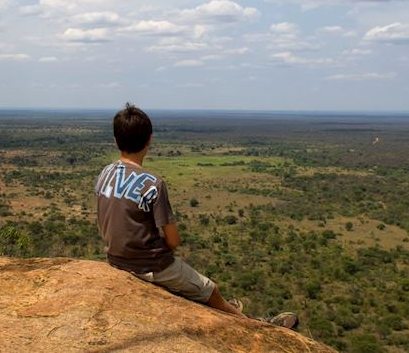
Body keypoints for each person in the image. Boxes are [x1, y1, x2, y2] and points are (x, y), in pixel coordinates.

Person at [95, 103, 299, 329]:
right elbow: (173, 241)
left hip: (115, 258)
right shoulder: (153, 184)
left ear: (116, 140)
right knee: (210, 289)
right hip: (149, 265)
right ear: (149, 140)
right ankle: (259, 327)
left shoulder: (106, 172)